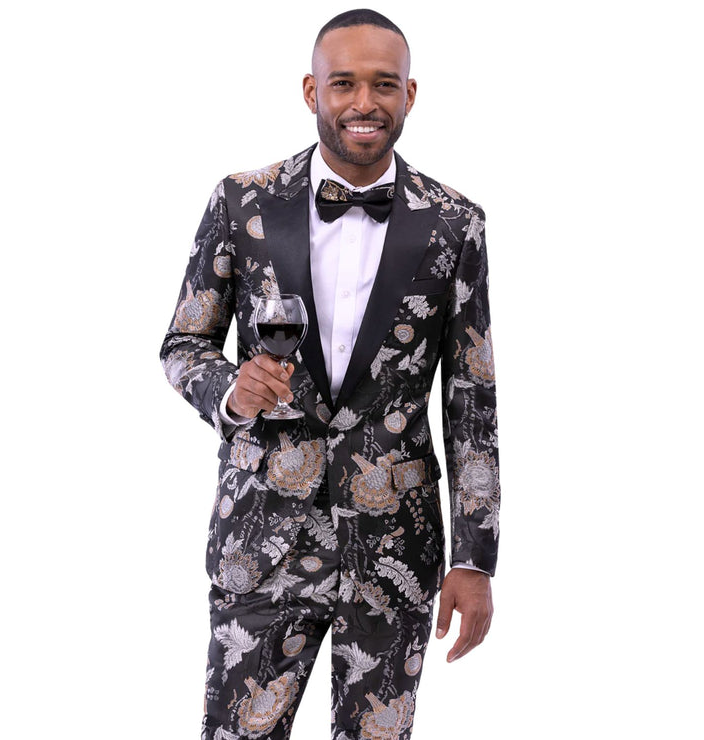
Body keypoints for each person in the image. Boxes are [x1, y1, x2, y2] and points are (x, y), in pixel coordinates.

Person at [159, 9, 500, 740]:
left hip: (395, 552)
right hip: (260, 541)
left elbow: (472, 398)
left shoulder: (454, 222)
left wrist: (475, 559)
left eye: (384, 84)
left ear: (410, 94)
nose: (362, 103)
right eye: (343, 83)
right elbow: (184, 343)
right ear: (312, 91)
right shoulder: (241, 201)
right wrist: (229, 392)